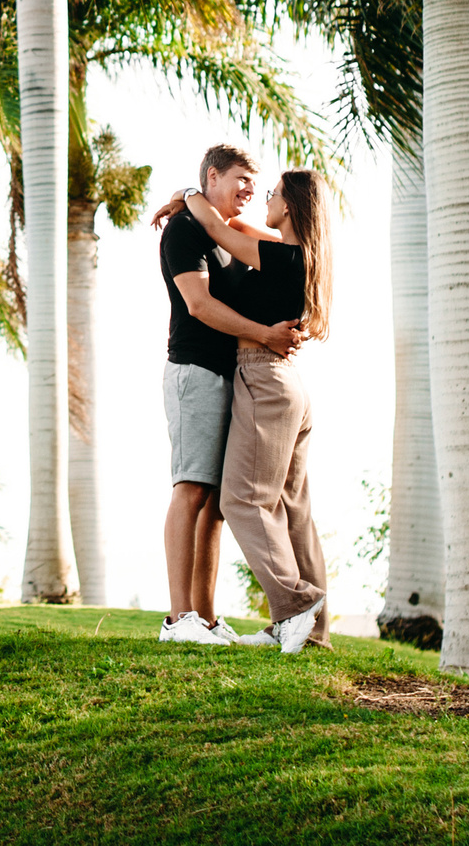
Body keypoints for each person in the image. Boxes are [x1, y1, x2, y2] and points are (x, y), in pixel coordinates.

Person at [155, 167, 336, 653]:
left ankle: (295, 607)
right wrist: (183, 197)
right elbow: (225, 225)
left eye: (273, 193)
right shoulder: (293, 252)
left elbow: (216, 229)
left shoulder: (281, 254)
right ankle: (311, 633)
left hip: (262, 377)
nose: (264, 199)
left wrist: (191, 192)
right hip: (286, 386)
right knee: (292, 508)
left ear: (292, 207)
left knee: (241, 501)